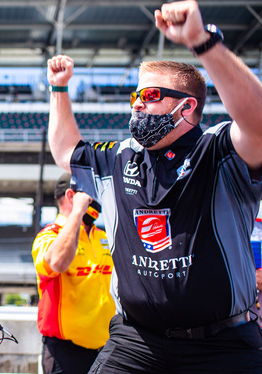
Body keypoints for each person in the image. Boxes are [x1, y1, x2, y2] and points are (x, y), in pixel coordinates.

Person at [47, 1, 262, 372]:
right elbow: (66, 151)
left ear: (187, 107)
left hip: (223, 346)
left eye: (151, 96)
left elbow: (257, 125)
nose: (138, 107)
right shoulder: (119, 159)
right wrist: (58, 89)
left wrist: (202, 42)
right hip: (137, 342)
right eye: (136, 98)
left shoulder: (220, 150)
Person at [32, 173, 114, 374]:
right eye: (90, 194)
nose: (95, 199)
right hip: (65, 352)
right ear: (71, 196)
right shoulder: (49, 236)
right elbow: (57, 263)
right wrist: (77, 213)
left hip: (108, 349)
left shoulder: (103, 235)